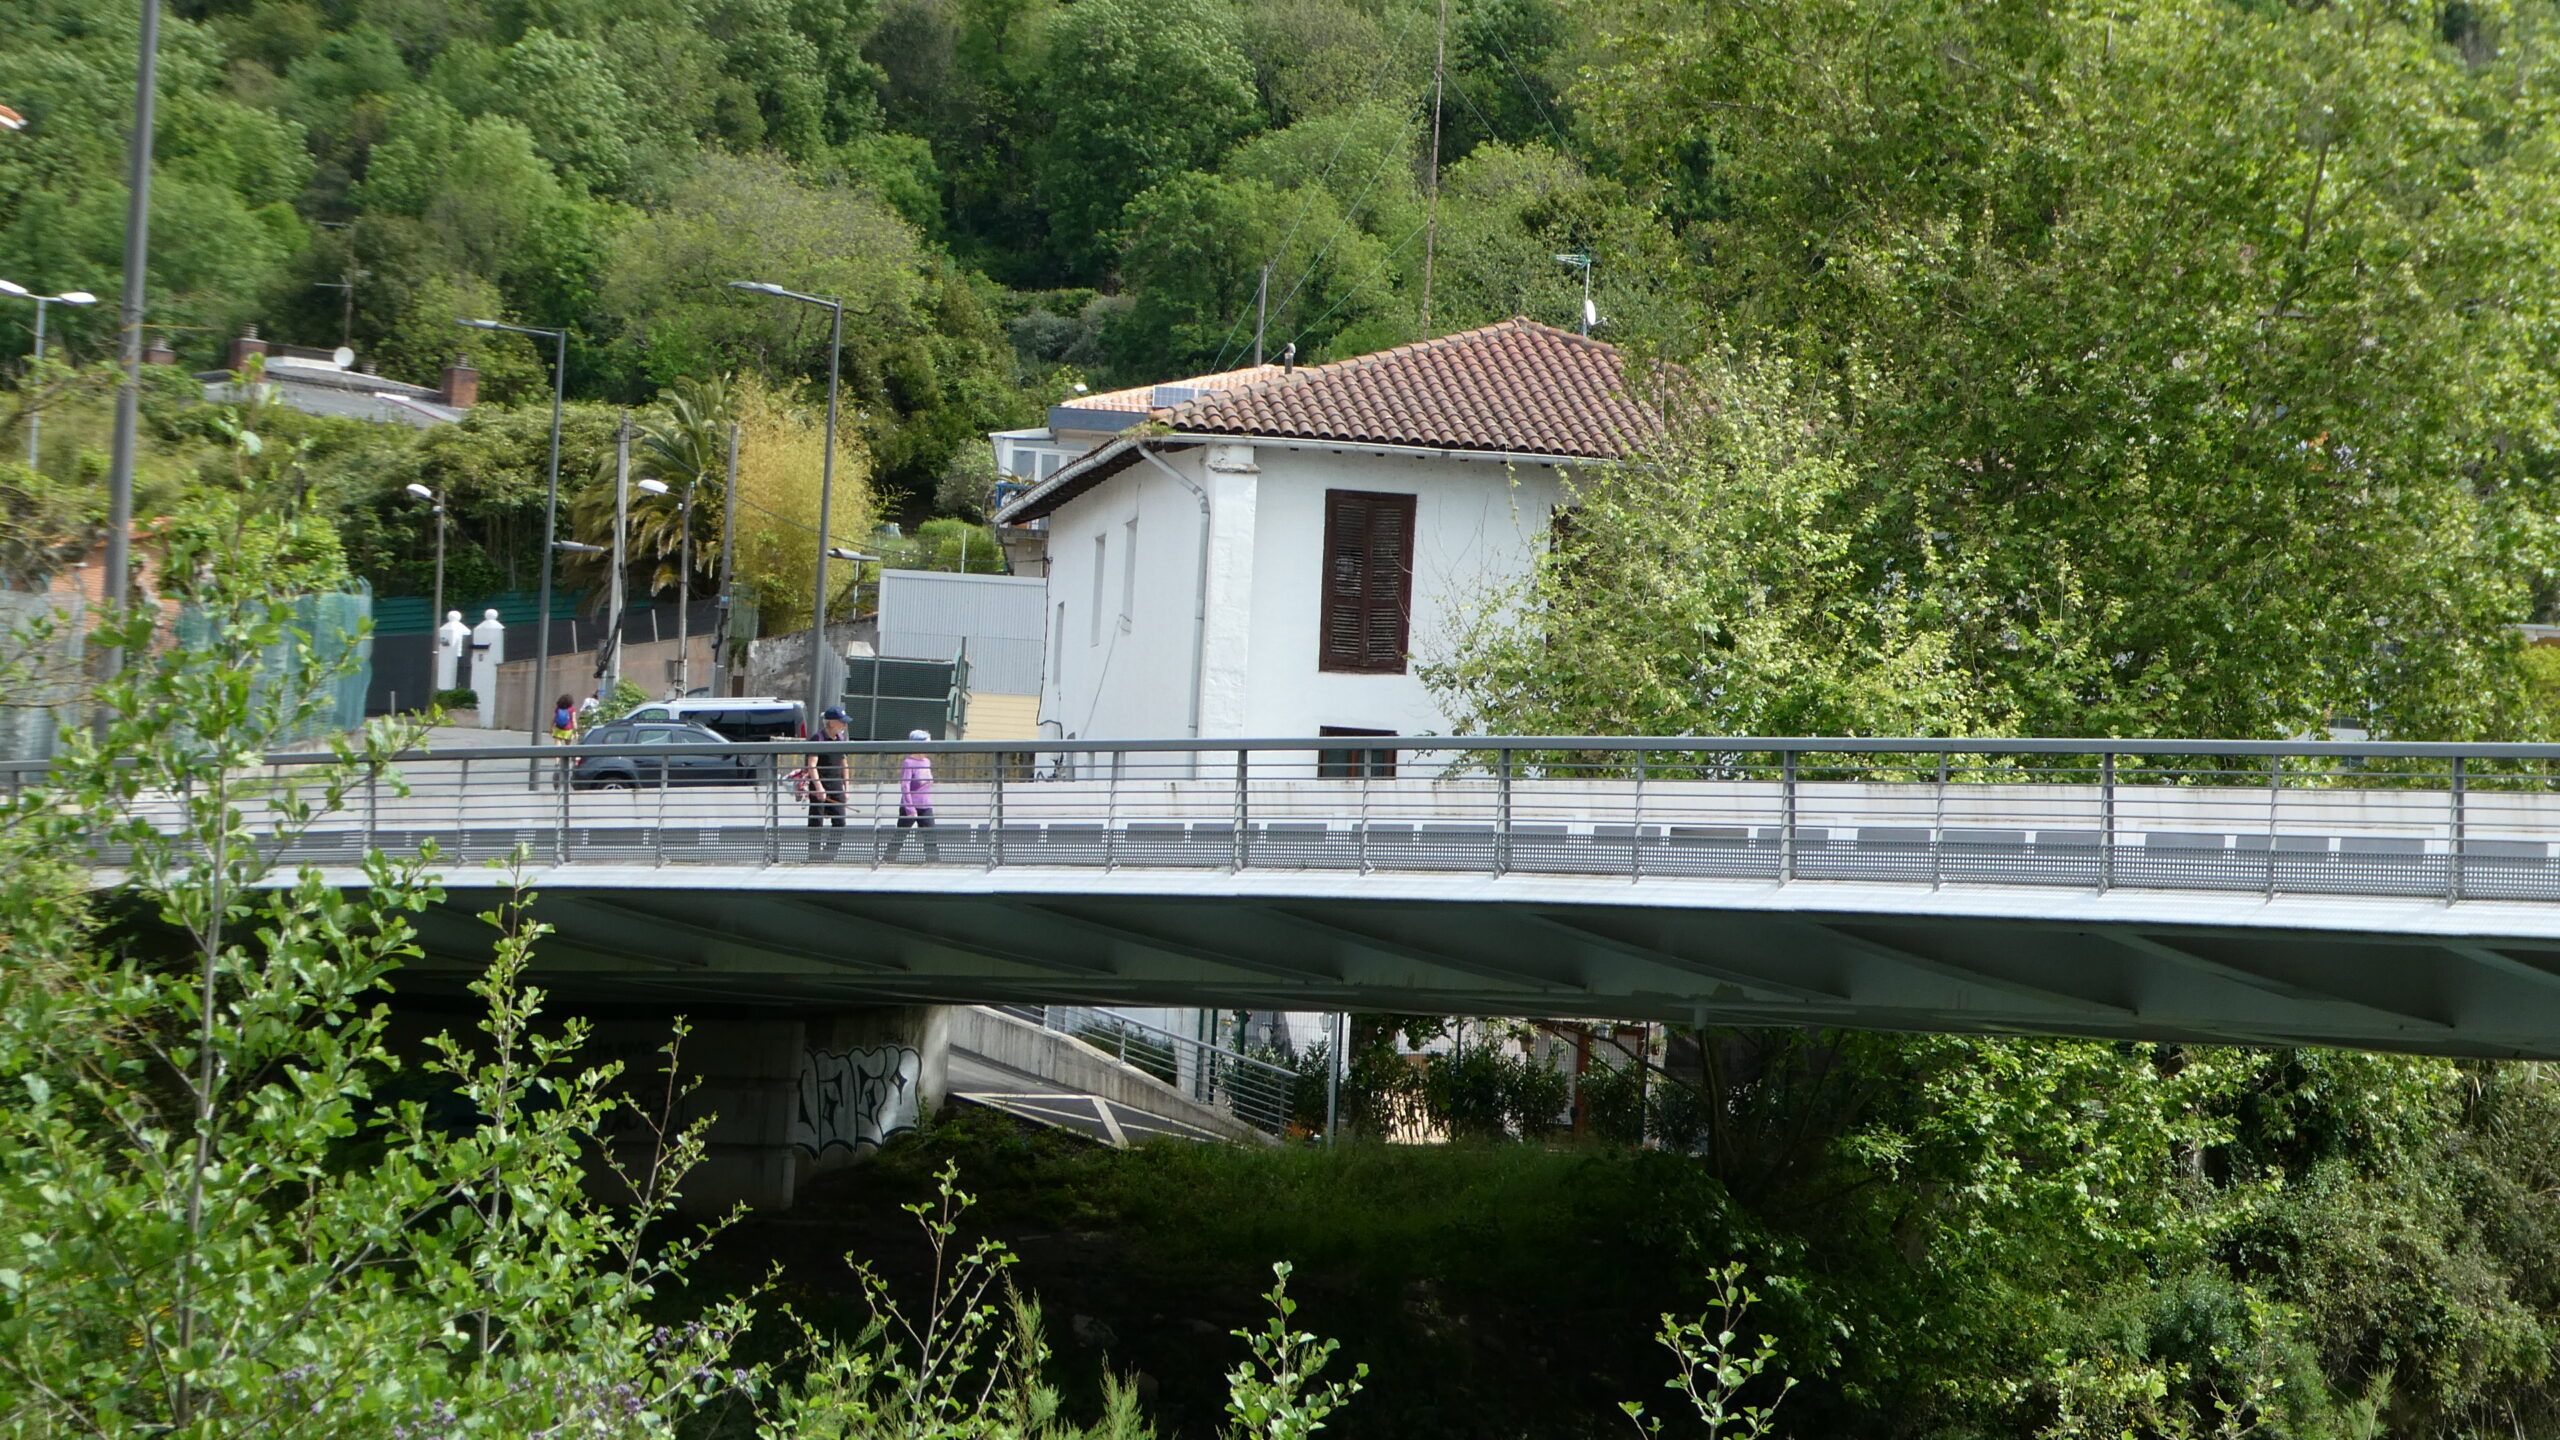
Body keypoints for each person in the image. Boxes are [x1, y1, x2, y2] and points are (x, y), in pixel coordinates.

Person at [884, 728, 940, 862]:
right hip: (910, 806)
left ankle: (934, 862)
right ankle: (888, 859)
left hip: (925, 806)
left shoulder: (927, 762)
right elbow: (905, 786)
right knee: (900, 835)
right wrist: (910, 809)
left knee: (930, 837)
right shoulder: (908, 762)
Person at [804, 705, 850, 859]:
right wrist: (818, 787)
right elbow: (812, 765)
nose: (844, 725)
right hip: (820, 786)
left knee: (840, 822)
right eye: (841, 721)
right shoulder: (818, 739)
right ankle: (813, 856)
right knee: (816, 822)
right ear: (831, 722)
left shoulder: (840, 740)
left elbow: (844, 765)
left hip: (836, 786)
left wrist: (847, 788)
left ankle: (828, 855)